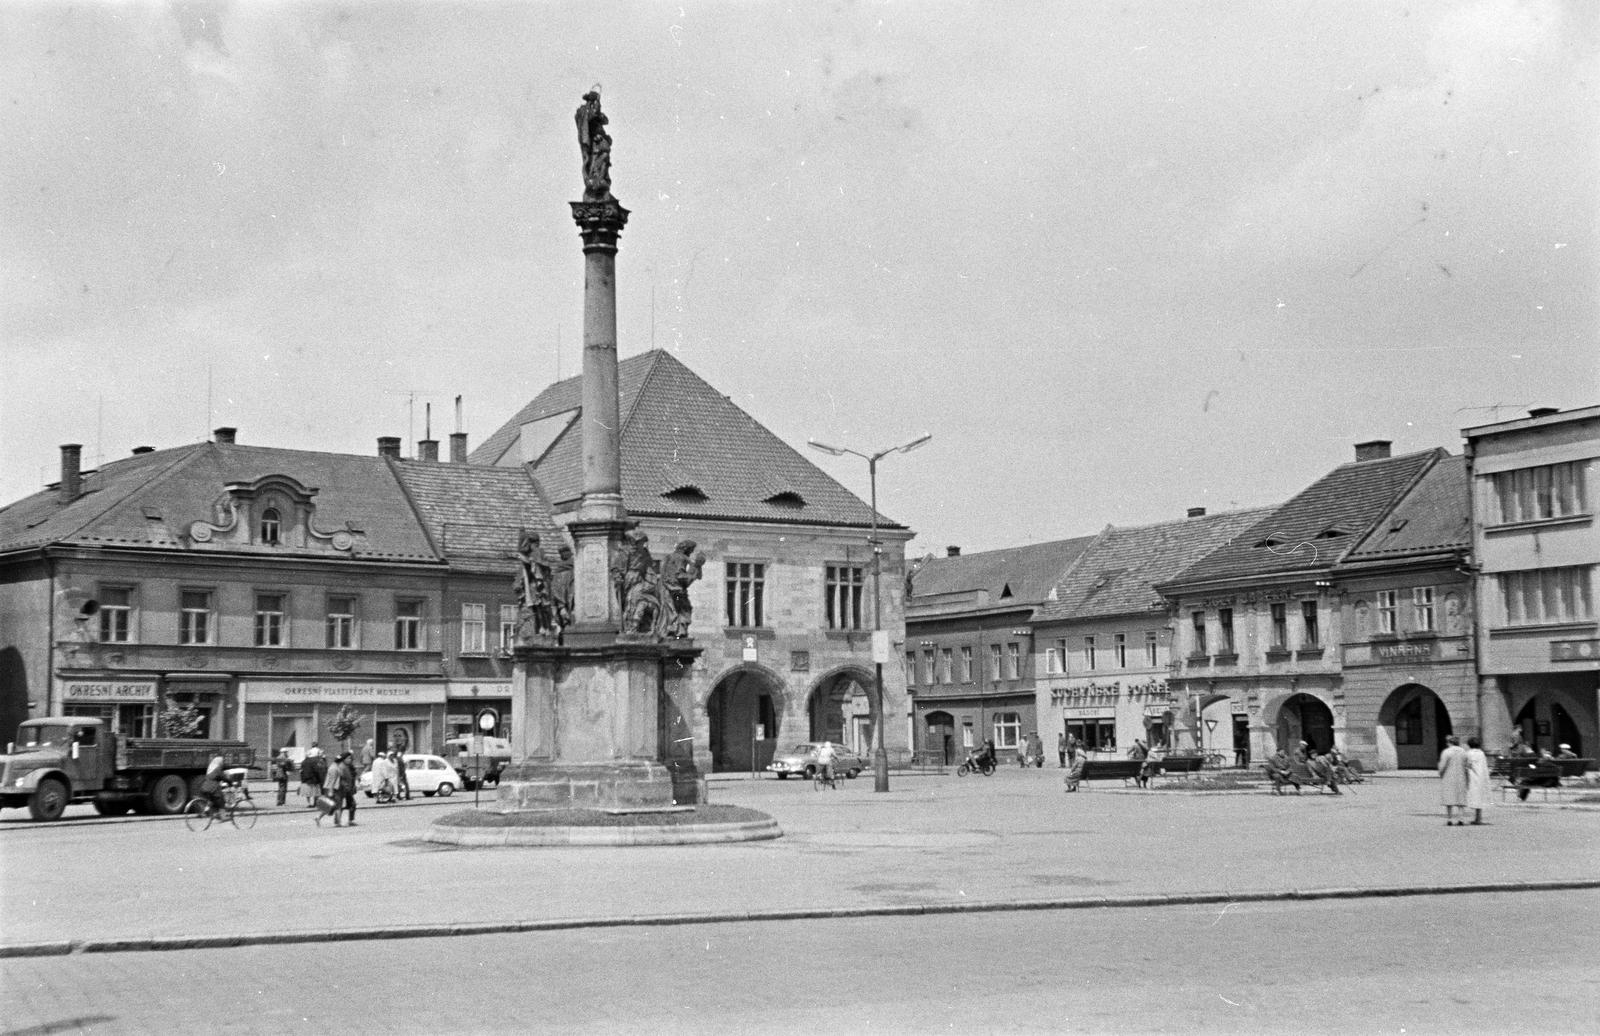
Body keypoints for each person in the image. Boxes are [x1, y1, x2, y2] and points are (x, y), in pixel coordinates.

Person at [1438, 734, 1468, 826]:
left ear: (1450, 742)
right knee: (1460, 798)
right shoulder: (1463, 751)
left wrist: (1440, 773)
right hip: (1460, 776)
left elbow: (1442, 765)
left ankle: (1450, 818)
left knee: (1449, 797)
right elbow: (1466, 764)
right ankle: (1461, 818)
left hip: (1449, 776)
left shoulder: (1446, 752)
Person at [1464, 736, 1490, 825]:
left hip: (1473, 777)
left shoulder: (1469, 753)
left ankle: (1477, 819)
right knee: (1480, 797)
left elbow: (1467, 765)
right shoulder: (1481, 753)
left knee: (1474, 796)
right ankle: (1478, 818)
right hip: (1482, 777)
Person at [326, 752, 357, 827]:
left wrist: (353, 786)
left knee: (350, 804)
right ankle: (339, 821)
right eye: (348, 758)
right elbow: (340, 779)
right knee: (344, 805)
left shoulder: (348, 766)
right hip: (343, 789)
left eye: (350, 758)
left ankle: (346, 820)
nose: (350, 760)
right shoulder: (341, 767)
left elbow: (352, 777)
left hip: (348, 788)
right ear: (344, 759)